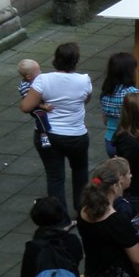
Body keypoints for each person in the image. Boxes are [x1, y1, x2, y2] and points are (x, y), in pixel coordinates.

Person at [19, 43, 92, 213]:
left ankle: (59, 219)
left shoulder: (42, 80)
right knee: (80, 173)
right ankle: (83, 211)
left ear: (55, 59)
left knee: (55, 177)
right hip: (77, 136)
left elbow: (25, 107)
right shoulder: (84, 80)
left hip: (49, 135)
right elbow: (85, 100)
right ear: (76, 61)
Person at [113, 92, 139, 213]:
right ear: (137, 113)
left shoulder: (134, 133)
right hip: (136, 192)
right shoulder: (131, 141)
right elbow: (125, 167)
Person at [99, 52, 139, 157]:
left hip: (110, 141)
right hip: (129, 141)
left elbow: (105, 121)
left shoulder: (105, 93)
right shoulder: (133, 93)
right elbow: (138, 121)